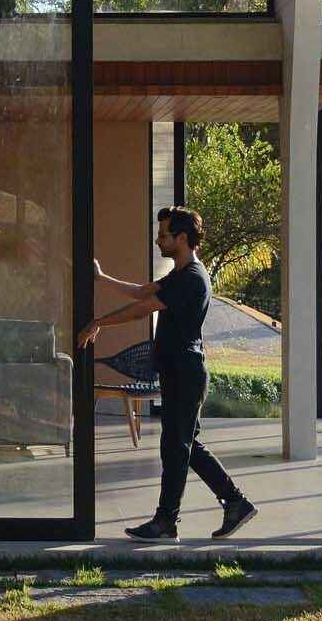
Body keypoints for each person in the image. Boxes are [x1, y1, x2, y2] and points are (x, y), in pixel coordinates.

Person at [79, 204, 257, 543]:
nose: (158, 239)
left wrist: (98, 322)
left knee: (176, 447)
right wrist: (103, 280)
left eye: (163, 235)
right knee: (184, 445)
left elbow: (141, 309)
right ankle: (233, 503)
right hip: (179, 371)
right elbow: (143, 291)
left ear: (182, 238)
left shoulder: (191, 278)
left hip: (186, 372)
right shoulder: (180, 273)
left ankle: (167, 521)